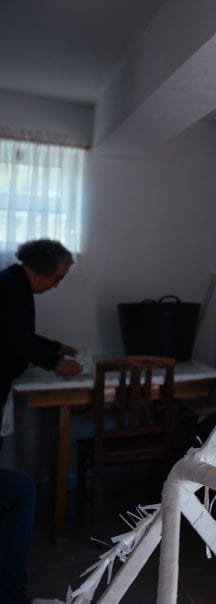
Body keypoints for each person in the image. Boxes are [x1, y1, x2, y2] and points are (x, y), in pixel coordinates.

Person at [0, 239, 82, 603]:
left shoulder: (15, 284)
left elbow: (21, 334)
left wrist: (53, 346)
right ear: (41, 269)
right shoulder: (8, 285)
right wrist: (54, 362)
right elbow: (12, 337)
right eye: (57, 278)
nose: (56, 285)